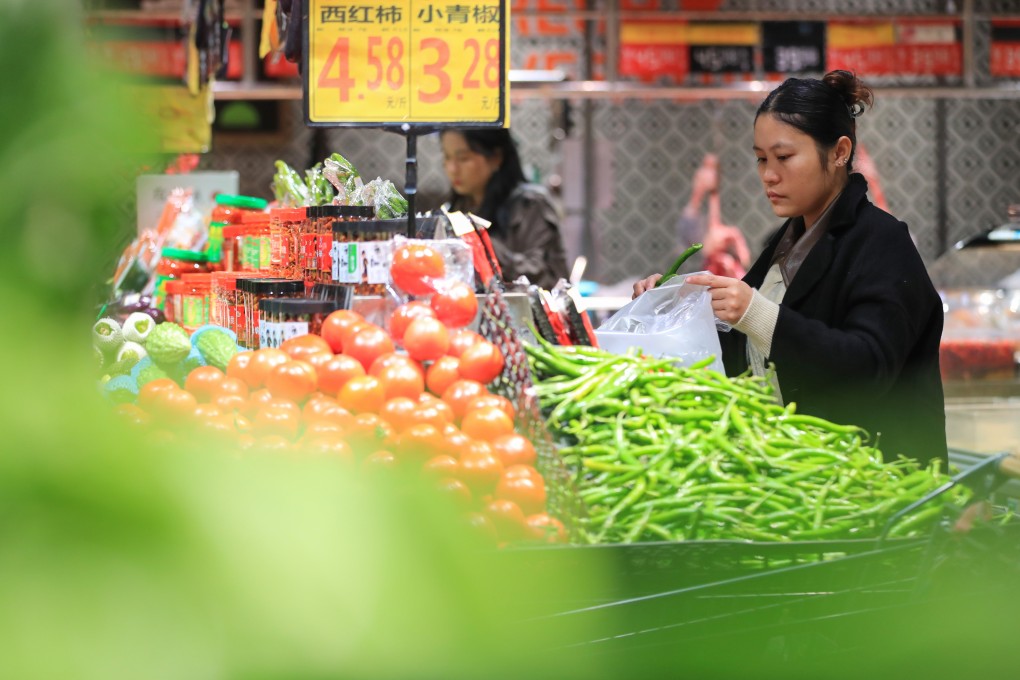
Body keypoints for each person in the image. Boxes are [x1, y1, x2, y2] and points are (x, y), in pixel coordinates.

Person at [633, 70, 947, 466]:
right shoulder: (784, 243)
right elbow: (742, 354)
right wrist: (675, 306)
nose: (768, 175)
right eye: (761, 159)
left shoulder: (882, 242)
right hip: (802, 477)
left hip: (879, 488)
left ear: (839, 152)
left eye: (783, 157)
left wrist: (756, 313)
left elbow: (869, 369)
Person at [440, 128, 569, 290]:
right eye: (447, 157)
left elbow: (541, 277)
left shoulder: (530, 204)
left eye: (463, 158)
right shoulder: (456, 209)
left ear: (496, 157)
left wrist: (481, 245)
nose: (452, 169)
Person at [676, 153, 751, 278]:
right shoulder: (694, 213)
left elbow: (745, 260)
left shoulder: (729, 203)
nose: (709, 174)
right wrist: (698, 191)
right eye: (706, 168)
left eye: (713, 169)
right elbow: (688, 240)